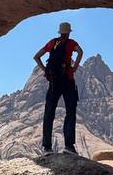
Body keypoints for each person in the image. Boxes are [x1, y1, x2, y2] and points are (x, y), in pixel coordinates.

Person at [34, 21, 83, 154]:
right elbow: (80, 52)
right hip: (68, 80)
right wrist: (75, 67)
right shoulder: (71, 43)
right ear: (68, 32)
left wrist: (45, 70)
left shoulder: (52, 43)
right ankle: (69, 146)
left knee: (49, 113)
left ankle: (46, 147)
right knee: (70, 112)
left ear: (60, 32)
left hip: (54, 83)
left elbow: (36, 56)